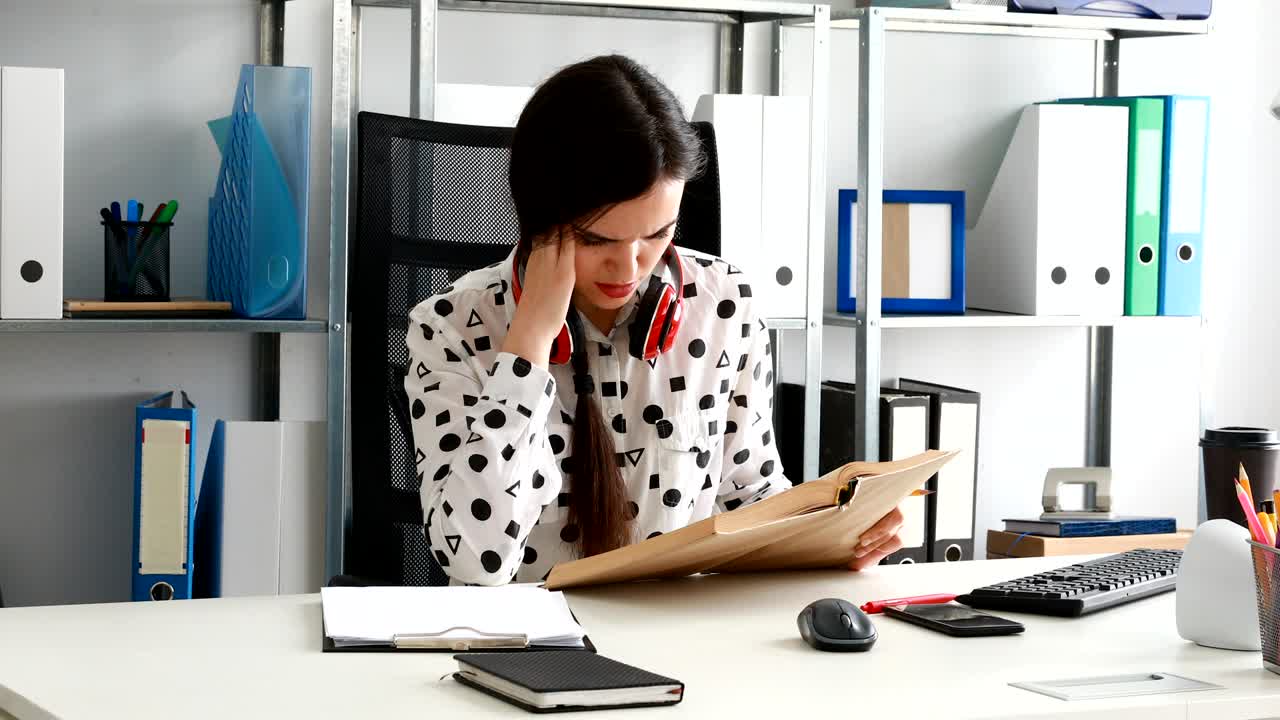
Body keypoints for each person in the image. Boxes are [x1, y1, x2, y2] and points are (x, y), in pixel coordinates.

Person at [403, 54, 904, 586]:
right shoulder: (451, 327)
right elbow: (475, 561)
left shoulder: (724, 303)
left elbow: (751, 494)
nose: (630, 266)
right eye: (597, 241)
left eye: (658, 233)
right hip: (529, 648)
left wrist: (834, 537)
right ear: (538, 221)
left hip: (683, 641)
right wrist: (526, 347)